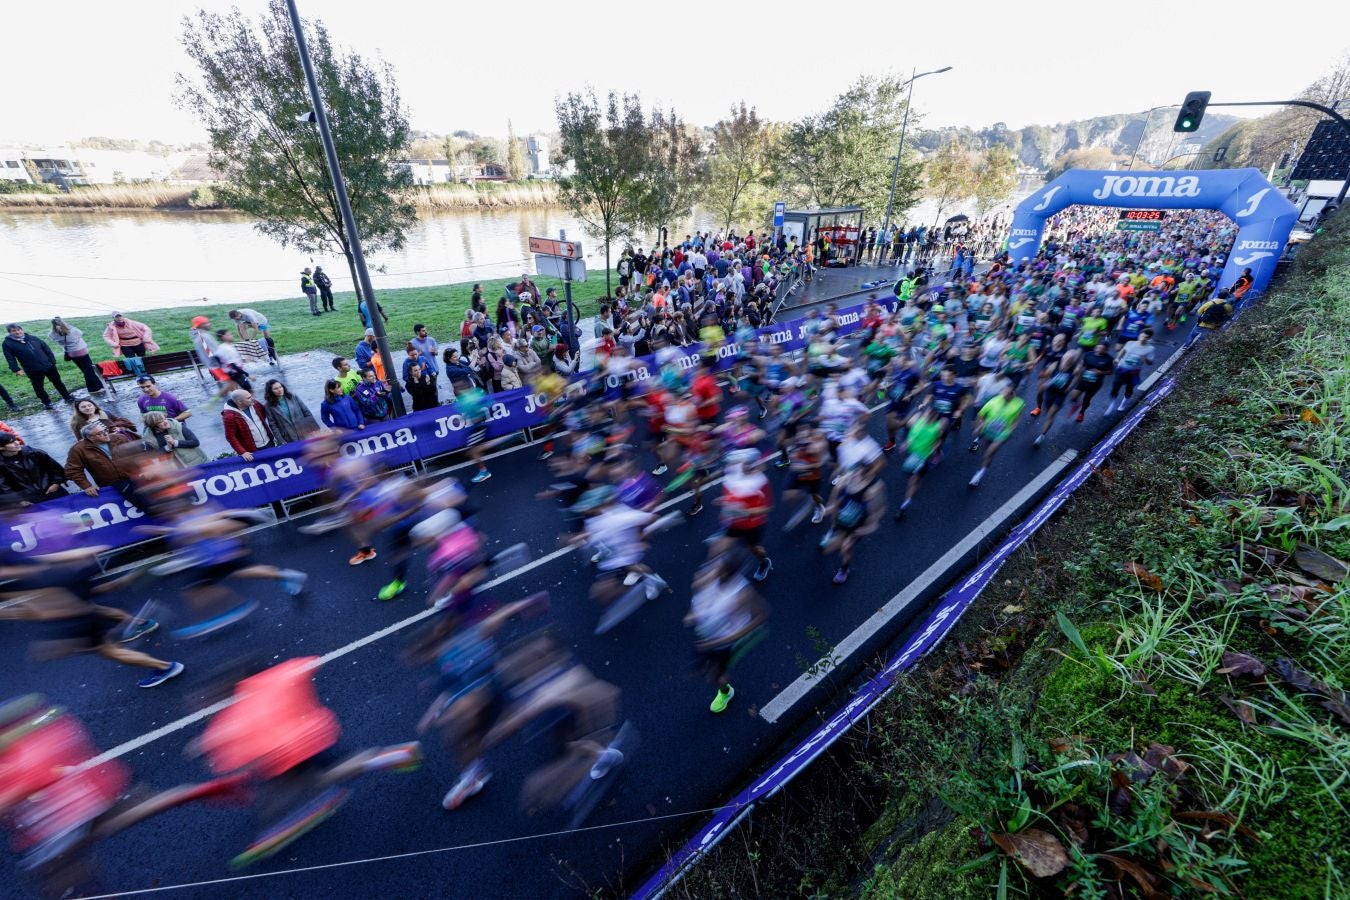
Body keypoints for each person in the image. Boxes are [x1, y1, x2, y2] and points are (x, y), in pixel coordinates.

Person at [63, 421, 145, 502]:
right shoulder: (78, 449)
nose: (106, 433)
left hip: (135, 477)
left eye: (105, 430)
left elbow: (138, 454)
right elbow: (72, 470)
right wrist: (87, 486)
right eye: (100, 433)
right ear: (90, 437)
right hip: (113, 484)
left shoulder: (120, 438)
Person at [4, 323, 73, 410]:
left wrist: (52, 361)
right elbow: (10, 358)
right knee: (38, 387)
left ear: (22, 330)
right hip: (32, 369)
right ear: (10, 333)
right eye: (14, 331)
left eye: (19, 330)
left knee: (58, 382)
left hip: (48, 365)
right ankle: (47, 403)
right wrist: (16, 369)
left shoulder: (33, 338)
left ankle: (67, 397)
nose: (17, 332)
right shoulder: (7, 343)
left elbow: (46, 348)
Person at [969, 381, 1025, 487]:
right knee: (986, 452)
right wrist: (979, 427)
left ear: (1012, 394)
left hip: (1002, 433)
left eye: (1008, 393)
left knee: (989, 453)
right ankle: (983, 467)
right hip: (988, 430)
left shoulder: (1019, 403)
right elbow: (981, 415)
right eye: (1004, 392)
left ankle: (979, 475)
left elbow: (1017, 418)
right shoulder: (993, 401)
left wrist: (1011, 429)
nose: (1004, 395)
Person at [0, 432, 66, 503]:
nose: (17, 443)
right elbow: (3, 486)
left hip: (53, 492)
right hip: (30, 501)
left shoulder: (34, 453)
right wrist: (18, 501)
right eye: (11, 442)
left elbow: (56, 469)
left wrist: (56, 483)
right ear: (1, 447)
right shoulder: (1, 464)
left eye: (15, 440)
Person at [48, 317, 106, 395]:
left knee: (85, 370)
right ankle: (94, 388)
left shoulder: (52, 334)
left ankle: (99, 385)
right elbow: (81, 333)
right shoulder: (72, 329)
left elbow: (51, 337)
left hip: (71, 353)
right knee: (89, 370)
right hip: (81, 351)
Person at [101, 312, 158, 378]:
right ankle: (139, 376)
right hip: (125, 345)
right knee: (131, 360)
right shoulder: (111, 326)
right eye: (117, 317)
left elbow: (145, 328)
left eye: (120, 316)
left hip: (138, 343)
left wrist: (146, 337)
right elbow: (106, 336)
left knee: (142, 358)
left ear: (123, 316)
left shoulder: (131, 322)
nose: (119, 318)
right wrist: (113, 344)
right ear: (113, 318)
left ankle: (145, 373)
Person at [141, 411, 207, 468]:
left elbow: (195, 442)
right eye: (160, 422)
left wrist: (175, 442)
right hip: (176, 472)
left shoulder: (178, 426)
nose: (166, 422)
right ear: (154, 427)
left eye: (165, 419)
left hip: (198, 464)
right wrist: (167, 448)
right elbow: (150, 456)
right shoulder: (149, 438)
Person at [221, 389, 273, 460]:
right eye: (248, 398)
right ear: (239, 401)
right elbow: (230, 436)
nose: (252, 399)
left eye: (251, 396)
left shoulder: (256, 404)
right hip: (253, 449)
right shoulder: (229, 416)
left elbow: (264, 417)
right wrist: (242, 452)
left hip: (269, 442)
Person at [263, 378, 320, 443]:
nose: (280, 390)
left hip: (305, 432)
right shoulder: (268, 406)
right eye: (276, 389)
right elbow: (273, 426)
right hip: (288, 437)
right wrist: (281, 440)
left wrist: (315, 428)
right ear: (271, 391)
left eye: (280, 387)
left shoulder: (293, 397)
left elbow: (307, 413)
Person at [69, 397, 137, 440]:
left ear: (94, 406)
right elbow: (81, 440)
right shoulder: (77, 423)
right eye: (83, 407)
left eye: (89, 405)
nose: (87, 408)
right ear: (79, 410)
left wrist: (119, 428)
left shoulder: (105, 413)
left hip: (119, 439)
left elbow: (119, 421)